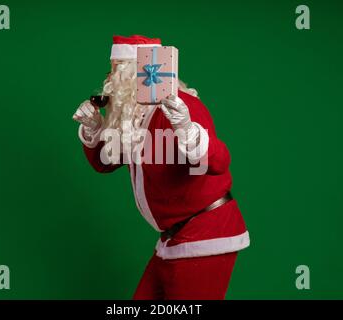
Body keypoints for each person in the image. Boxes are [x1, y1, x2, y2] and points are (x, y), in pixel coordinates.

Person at [73, 35, 250, 300]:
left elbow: (219, 162)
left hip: (205, 237)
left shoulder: (179, 108)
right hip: (173, 239)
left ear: (130, 76)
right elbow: (104, 163)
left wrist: (188, 131)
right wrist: (95, 129)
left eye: (114, 71)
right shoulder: (135, 119)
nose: (108, 79)